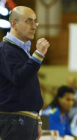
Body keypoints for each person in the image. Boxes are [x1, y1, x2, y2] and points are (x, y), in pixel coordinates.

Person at [0, 6, 50, 140]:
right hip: (15, 119)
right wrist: (38, 55)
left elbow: (29, 89)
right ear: (14, 24)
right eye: (29, 21)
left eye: (35, 21)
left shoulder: (21, 51)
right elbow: (19, 78)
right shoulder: (6, 50)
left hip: (25, 119)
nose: (34, 26)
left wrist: (37, 120)